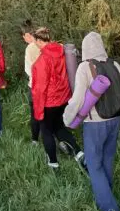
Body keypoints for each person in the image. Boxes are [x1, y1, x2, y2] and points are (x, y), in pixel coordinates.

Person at [63, 32, 120, 211]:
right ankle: (106, 194)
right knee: (108, 159)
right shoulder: (115, 64)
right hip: (115, 119)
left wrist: (68, 118)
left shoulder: (84, 67)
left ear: (85, 48)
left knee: (94, 165)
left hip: (95, 123)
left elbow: (78, 99)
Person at [31, 27, 86, 172]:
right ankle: (79, 154)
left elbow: (40, 89)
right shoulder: (62, 52)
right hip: (64, 98)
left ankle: (53, 164)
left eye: (34, 41)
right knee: (59, 127)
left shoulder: (42, 61)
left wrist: (38, 111)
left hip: (49, 102)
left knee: (47, 131)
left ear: (38, 40)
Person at [22, 21, 41, 144]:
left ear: (28, 35)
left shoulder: (30, 48)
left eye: (23, 35)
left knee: (35, 113)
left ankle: (35, 139)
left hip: (35, 85)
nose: (23, 38)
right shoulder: (45, 44)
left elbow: (29, 70)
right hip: (50, 85)